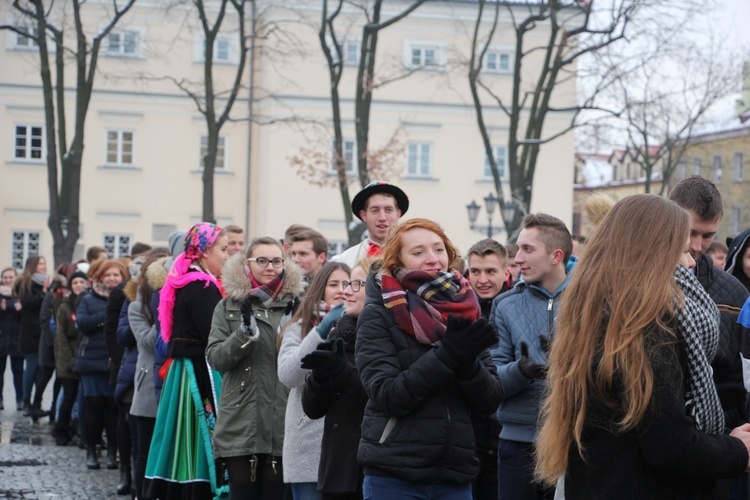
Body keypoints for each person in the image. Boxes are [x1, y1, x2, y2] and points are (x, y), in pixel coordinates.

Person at [535, 194, 750, 498]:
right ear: (655, 252)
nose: (691, 261)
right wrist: (737, 451)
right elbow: (668, 445)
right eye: (682, 250)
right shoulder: (646, 328)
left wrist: (727, 440)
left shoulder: (599, 311)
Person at [356, 218, 502, 499]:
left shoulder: (465, 308)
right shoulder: (379, 312)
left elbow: (491, 400)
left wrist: (466, 362)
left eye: (438, 249)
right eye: (418, 252)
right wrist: (447, 354)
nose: (433, 259)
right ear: (398, 261)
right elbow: (387, 395)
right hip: (395, 475)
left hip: (455, 476)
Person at [207, 236, 306, 500]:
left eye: (276, 260)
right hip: (241, 417)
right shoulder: (228, 305)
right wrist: (243, 336)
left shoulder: (297, 306)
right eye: (261, 260)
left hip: (283, 415)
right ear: (247, 264)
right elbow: (215, 358)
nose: (270, 267)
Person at [490, 213, 574, 500]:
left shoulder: (590, 299)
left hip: (573, 440)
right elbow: (492, 380)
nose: (518, 258)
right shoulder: (505, 304)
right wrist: (521, 371)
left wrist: (568, 367)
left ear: (555, 256)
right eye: (518, 248)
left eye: (528, 249)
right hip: (518, 443)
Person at [144, 223, 229, 500]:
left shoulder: (187, 279)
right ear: (204, 252)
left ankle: (178, 486)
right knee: (200, 430)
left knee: (180, 433)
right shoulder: (202, 285)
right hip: (199, 370)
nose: (227, 256)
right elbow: (215, 335)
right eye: (223, 249)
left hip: (185, 369)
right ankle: (198, 487)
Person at [670, 177, 749, 432]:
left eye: (707, 236)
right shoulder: (641, 287)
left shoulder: (734, 292)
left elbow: (738, 381)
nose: (696, 246)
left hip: (720, 438)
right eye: (691, 232)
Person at [300, 258, 374, 500]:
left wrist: (342, 371)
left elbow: (379, 397)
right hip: (337, 470)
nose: (346, 291)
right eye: (346, 283)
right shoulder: (338, 332)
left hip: (373, 467)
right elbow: (312, 409)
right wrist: (319, 379)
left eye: (357, 284)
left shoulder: (390, 336)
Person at [278, 261, 351, 499]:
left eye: (347, 283)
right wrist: (320, 332)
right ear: (320, 289)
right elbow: (288, 376)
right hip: (308, 447)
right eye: (334, 284)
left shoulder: (363, 325)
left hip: (348, 450)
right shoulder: (298, 328)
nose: (342, 289)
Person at [465, 239, 511, 500]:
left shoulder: (515, 307)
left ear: (506, 273)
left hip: (504, 433)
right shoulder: (455, 311)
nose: (482, 279)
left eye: (490, 271)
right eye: (475, 271)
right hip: (468, 436)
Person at [76, 259, 129, 470]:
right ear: (99, 276)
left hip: (115, 361)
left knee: (113, 409)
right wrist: (107, 315)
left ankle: (111, 452)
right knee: (94, 407)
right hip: (91, 361)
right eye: (108, 275)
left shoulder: (126, 298)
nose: (112, 279)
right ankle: (92, 449)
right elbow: (83, 324)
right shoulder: (88, 299)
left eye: (116, 275)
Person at [128, 251, 169, 500]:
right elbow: (146, 343)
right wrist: (163, 313)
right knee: (144, 451)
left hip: (170, 379)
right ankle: (140, 494)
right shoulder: (136, 306)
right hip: (146, 388)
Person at [332, 181, 408, 268]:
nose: (382, 218)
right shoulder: (346, 260)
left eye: (388, 210)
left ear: (398, 214)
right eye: (375, 210)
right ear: (363, 215)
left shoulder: (413, 256)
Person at [53, 270, 89, 445]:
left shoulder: (89, 304)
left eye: (81, 282)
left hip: (85, 357)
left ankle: (82, 430)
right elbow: (61, 336)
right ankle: (61, 429)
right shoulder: (64, 307)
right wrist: (69, 360)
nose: (78, 286)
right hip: (67, 358)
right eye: (75, 283)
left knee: (86, 398)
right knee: (69, 396)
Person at [14, 256, 51, 415]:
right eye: (40, 263)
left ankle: (37, 402)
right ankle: (26, 400)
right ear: (33, 266)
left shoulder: (47, 282)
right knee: (31, 367)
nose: (43, 266)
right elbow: (28, 305)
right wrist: (43, 292)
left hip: (42, 331)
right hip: (30, 332)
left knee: (41, 368)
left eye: (44, 263)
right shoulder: (26, 283)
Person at [0, 267, 24, 411]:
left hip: (17, 338)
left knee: (18, 371)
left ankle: (20, 399)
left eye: (10, 277)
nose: (8, 280)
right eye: (5, 277)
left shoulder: (20, 294)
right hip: (1, 338)